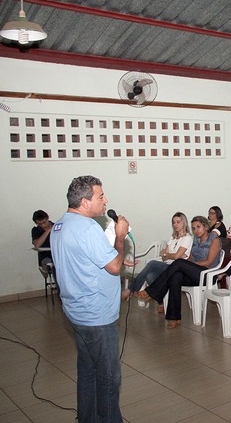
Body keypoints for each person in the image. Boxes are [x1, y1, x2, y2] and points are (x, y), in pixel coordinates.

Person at [50, 175, 129, 422]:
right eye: (100, 196)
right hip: (96, 316)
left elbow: (84, 261)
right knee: (108, 376)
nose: (106, 201)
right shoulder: (87, 228)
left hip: (76, 312)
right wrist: (120, 237)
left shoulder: (61, 225)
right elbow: (114, 268)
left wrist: (113, 257)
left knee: (88, 371)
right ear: (85, 202)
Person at [139, 216, 223, 329]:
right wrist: (186, 263)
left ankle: (153, 291)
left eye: (198, 227)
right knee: (176, 276)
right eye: (193, 228)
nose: (195, 230)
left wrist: (187, 265)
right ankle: (174, 318)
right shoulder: (196, 240)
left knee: (179, 263)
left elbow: (209, 261)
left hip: (208, 274)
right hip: (195, 273)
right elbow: (191, 258)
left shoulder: (215, 240)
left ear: (206, 226)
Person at [121, 212, 193, 301]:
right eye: (174, 223)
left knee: (152, 263)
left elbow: (175, 257)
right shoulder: (172, 238)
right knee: (150, 276)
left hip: (176, 268)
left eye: (178, 222)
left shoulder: (187, 238)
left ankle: (130, 290)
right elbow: (163, 256)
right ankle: (161, 301)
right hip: (166, 264)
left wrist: (167, 254)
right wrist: (170, 255)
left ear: (184, 222)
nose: (175, 225)